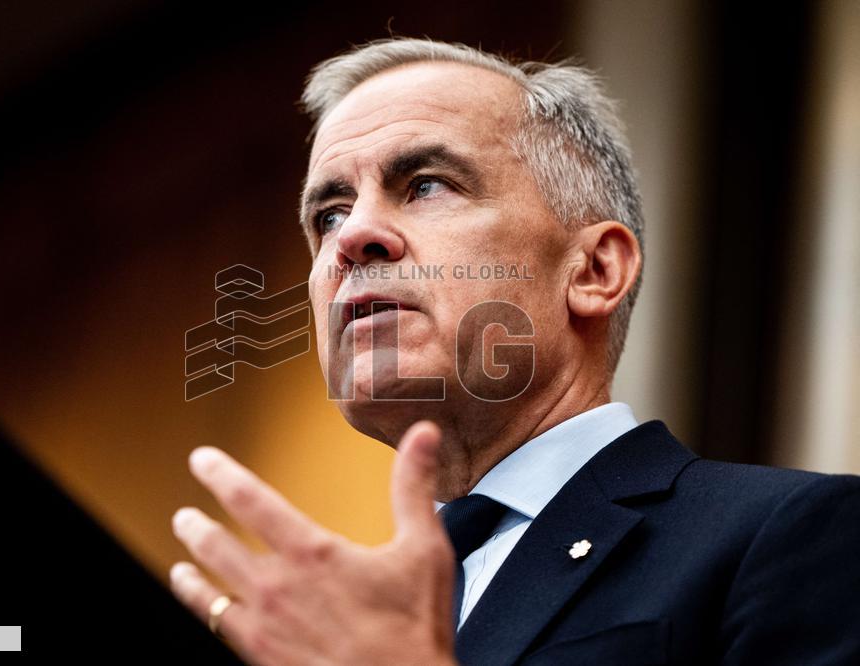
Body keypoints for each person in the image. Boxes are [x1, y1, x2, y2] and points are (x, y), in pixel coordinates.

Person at [169, 37, 860, 665]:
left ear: (594, 271)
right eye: (329, 215)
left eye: (426, 184)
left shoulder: (793, 535)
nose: (354, 237)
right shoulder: (332, 627)